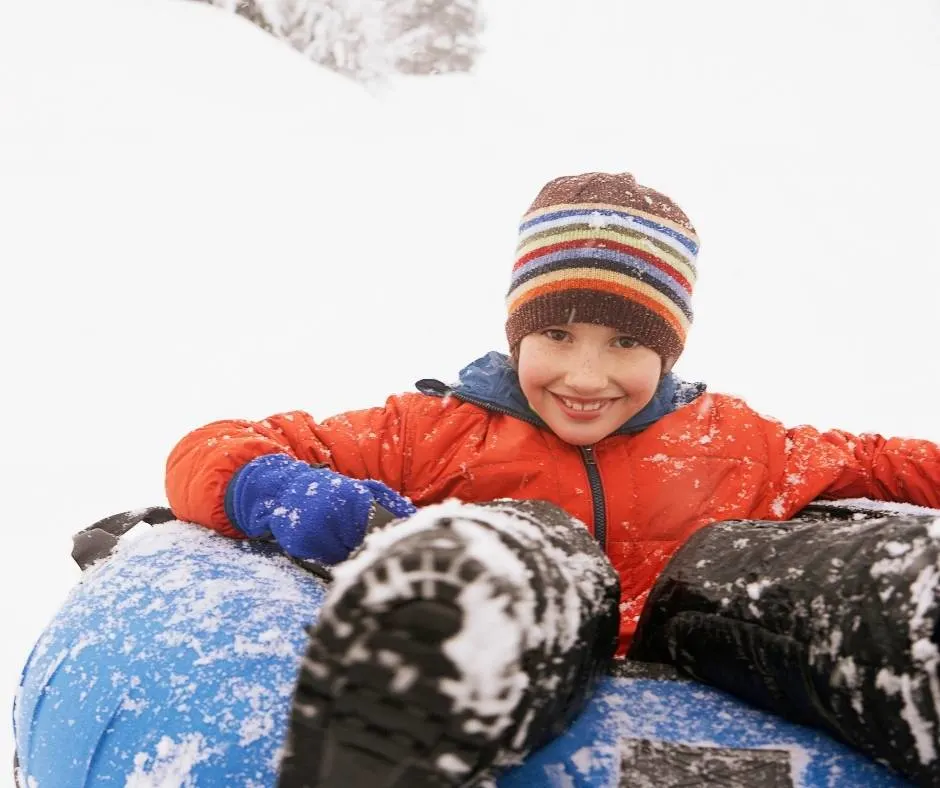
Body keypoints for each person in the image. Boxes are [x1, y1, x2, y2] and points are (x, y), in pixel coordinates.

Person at [165, 172, 940, 786]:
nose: (585, 375)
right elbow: (213, 448)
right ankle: (430, 655)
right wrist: (304, 499)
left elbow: (883, 462)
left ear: (668, 351)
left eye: (626, 343)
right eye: (557, 333)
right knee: (520, 545)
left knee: (736, 562)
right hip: (542, 628)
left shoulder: (736, 439)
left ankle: (915, 625)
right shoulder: (434, 430)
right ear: (517, 331)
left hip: (707, 639)